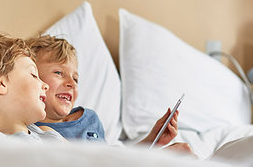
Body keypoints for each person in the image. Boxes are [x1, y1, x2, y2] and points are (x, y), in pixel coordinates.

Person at [27, 35, 193, 152]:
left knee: (185, 152)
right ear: (34, 77)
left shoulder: (89, 118)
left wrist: (152, 140)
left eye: (76, 78)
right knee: (180, 154)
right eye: (58, 73)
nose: (71, 83)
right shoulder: (32, 131)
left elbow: (113, 160)